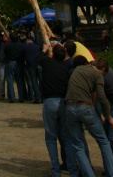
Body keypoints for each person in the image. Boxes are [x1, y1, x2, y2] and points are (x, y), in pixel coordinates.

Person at [64, 57, 113, 177]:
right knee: (103, 141)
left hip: (68, 107)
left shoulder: (78, 69)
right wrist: (108, 117)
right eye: (104, 74)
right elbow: (102, 97)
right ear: (102, 69)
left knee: (78, 145)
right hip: (84, 106)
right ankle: (112, 174)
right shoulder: (97, 75)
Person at [37, 43, 79, 177]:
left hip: (50, 102)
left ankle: (56, 171)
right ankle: (73, 170)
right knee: (67, 138)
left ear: (53, 54)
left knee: (50, 138)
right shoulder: (65, 69)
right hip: (63, 103)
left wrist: (44, 50)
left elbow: (37, 58)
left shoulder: (48, 64)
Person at [2, 32, 26, 103]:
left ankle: (11, 97)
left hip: (10, 62)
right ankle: (21, 97)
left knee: (10, 80)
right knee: (20, 80)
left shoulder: (7, 45)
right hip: (19, 63)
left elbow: (5, 53)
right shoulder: (21, 45)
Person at [24, 36, 41, 103]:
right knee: (41, 81)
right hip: (39, 64)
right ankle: (42, 97)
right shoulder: (37, 47)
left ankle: (37, 98)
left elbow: (24, 56)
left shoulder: (25, 48)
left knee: (34, 81)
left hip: (30, 65)